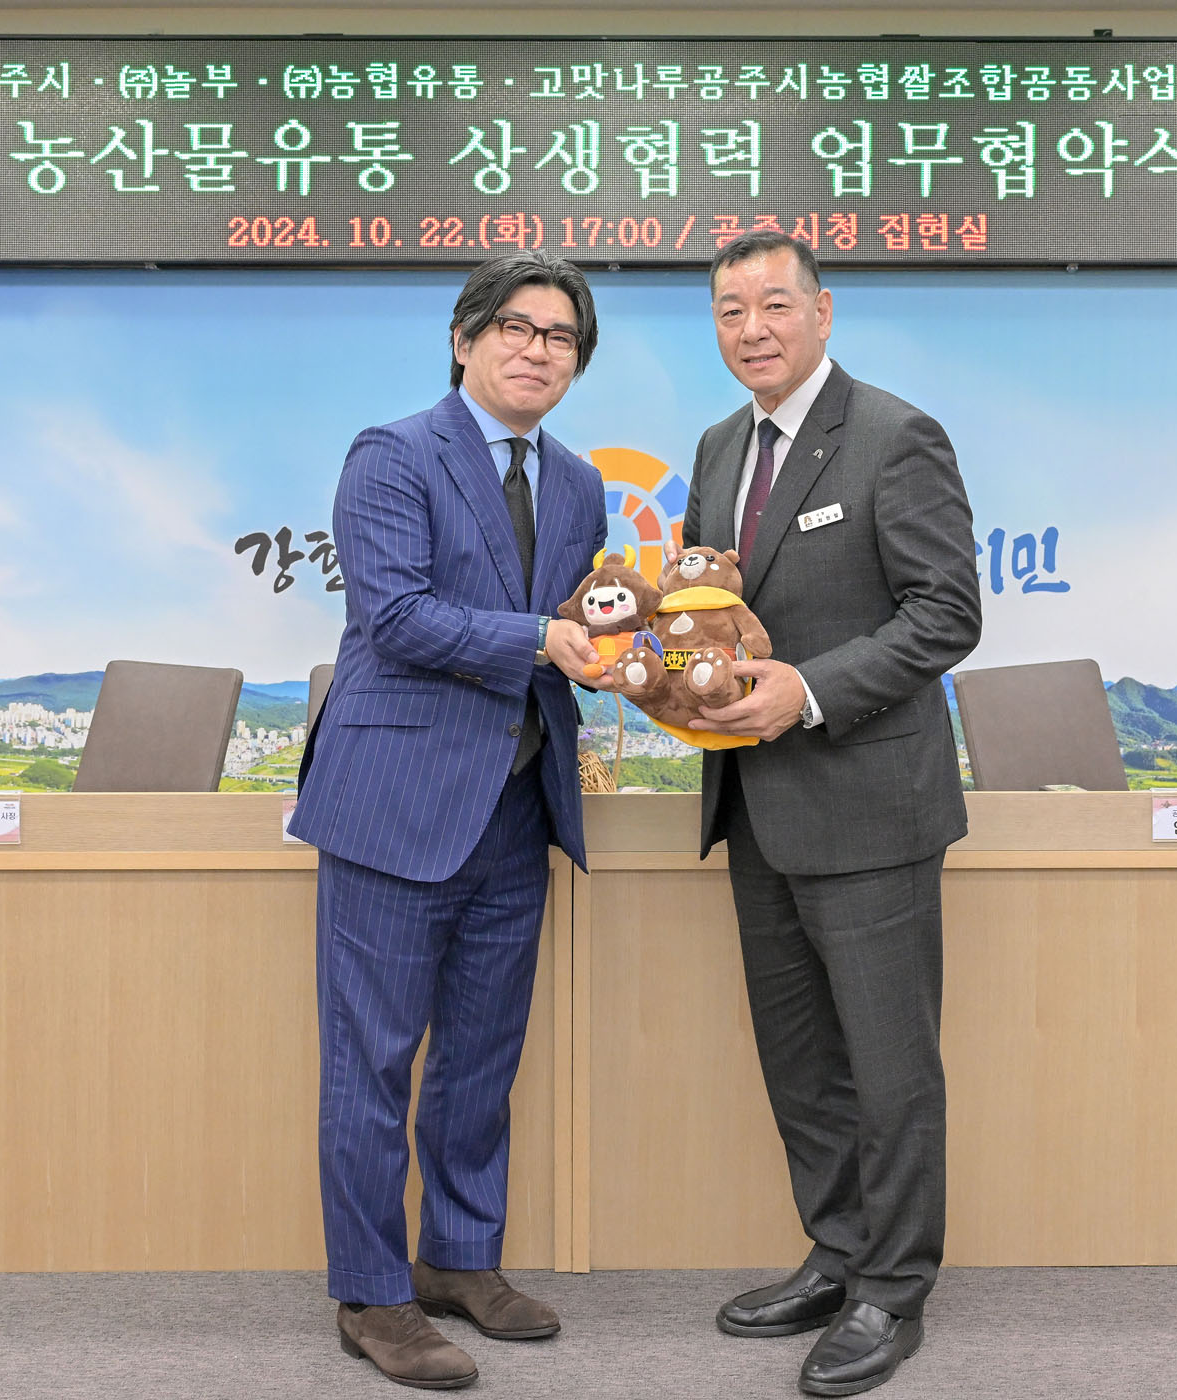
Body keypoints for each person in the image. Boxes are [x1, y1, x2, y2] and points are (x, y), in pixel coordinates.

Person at [289, 251, 607, 1391]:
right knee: (370, 1063)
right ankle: (372, 1294)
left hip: (517, 805)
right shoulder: (392, 453)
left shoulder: (579, 484)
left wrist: (627, 654)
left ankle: (460, 1259)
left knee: (482, 1057)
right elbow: (398, 616)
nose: (537, 350)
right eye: (515, 327)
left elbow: (576, 623)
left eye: (560, 337)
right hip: (395, 803)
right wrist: (543, 641)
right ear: (465, 341)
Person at [680, 231, 983, 1397]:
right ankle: (838, 1250)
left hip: (867, 804)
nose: (751, 328)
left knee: (889, 1063)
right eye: (729, 310)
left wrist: (807, 689)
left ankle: (893, 1288)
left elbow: (945, 612)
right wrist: (661, 667)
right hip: (755, 804)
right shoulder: (719, 446)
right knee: (801, 1059)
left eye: (773, 304)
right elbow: (712, 609)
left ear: (823, 310)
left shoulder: (896, 435)